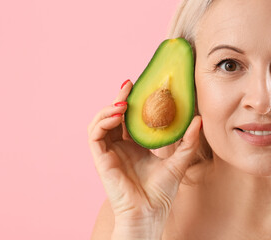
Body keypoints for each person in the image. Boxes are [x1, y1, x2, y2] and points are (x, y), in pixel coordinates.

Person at [87, 0, 271, 239]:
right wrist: (139, 225)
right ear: (191, 80)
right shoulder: (126, 215)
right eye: (230, 65)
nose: (261, 101)